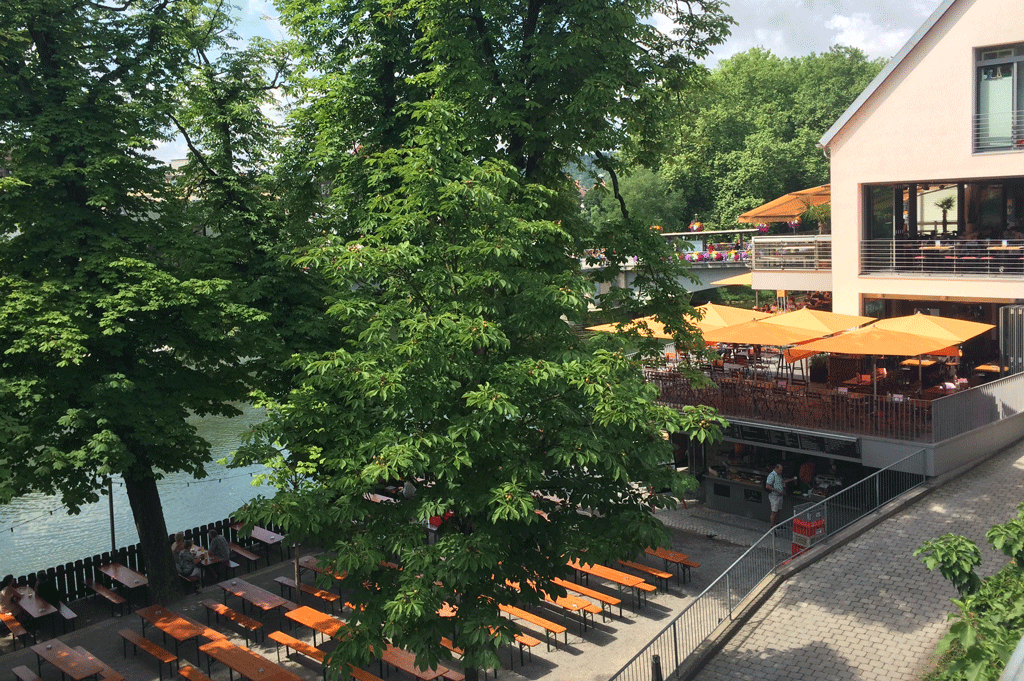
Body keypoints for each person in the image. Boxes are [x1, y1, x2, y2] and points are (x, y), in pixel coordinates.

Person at [765, 463, 796, 531]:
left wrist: (792, 479)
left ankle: (777, 524)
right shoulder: (772, 475)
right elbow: (767, 486)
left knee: (778, 511)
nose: (781, 472)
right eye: (780, 470)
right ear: (776, 469)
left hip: (779, 496)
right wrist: (776, 491)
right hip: (774, 496)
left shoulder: (779, 475)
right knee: (774, 512)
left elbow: (782, 482)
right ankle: (772, 527)